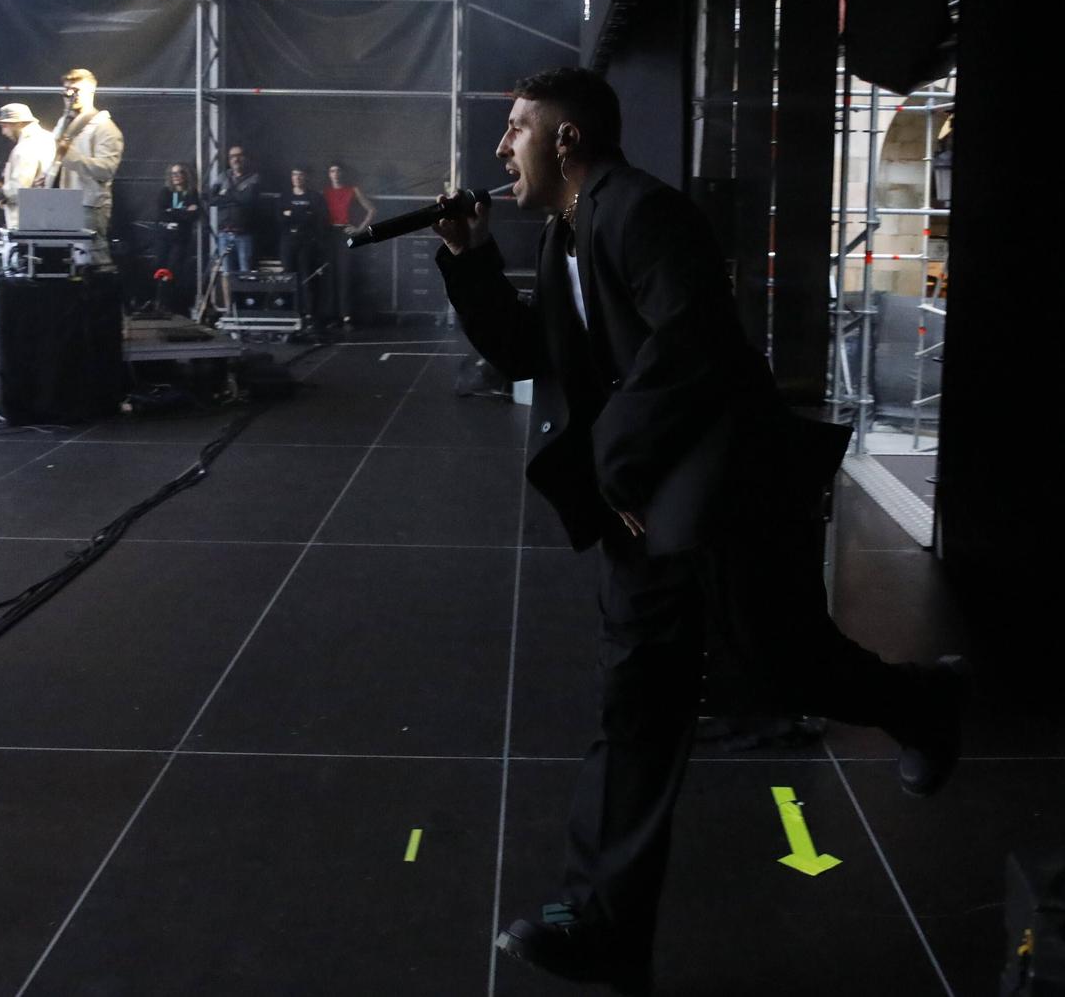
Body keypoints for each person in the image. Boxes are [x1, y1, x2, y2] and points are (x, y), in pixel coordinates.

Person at [432, 67, 968, 994]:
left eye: (515, 128)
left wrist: (618, 466)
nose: (499, 148)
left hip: (725, 497)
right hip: (652, 509)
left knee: (784, 661)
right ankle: (600, 923)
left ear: (567, 141)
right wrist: (471, 258)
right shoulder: (566, 231)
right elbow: (533, 353)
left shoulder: (644, 212)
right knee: (638, 704)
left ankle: (922, 705)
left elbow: (694, 344)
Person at [41, 68, 125, 267]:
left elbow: (106, 169)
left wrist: (70, 156)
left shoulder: (104, 128)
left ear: (91, 92)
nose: (70, 96)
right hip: (64, 202)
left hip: (89, 205)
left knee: (91, 259)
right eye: (67, 91)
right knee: (69, 262)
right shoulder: (64, 122)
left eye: (76, 91)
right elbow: (57, 158)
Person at [0, 102, 55, 232]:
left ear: (18, 123)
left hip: (27, 221)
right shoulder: (48, 137)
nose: (3, 132)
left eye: (5, 126)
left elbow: (18, 189)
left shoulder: (25, 148)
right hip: (47, 214)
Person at [322, 162, 378, 325]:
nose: (335, 174)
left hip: (346, 233)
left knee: (345, 275)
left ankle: (347, 315)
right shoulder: (325, 193)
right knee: (330, 275)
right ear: (329, 174)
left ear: (343, 173)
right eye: (332, 171)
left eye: (338, 170)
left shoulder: (353, 190)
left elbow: (372, 210)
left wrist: (360, 229)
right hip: (330, 235)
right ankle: (332, 315)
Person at [278, 166, 329, 324]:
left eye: (300, 175)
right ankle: (288, 309)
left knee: (307, 277)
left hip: (307, 242)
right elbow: (279, 219)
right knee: (288, 276)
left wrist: (293, 214)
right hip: (288, 241)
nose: (297, 178)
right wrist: (303, 214)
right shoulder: (284, 196)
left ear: (305, 177)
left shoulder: (314, 197)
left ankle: (308, 313)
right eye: (294, 175)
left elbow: (318, 219)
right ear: (291, 177)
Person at [207, 144, 262, 274]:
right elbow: (211, 200)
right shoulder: (222, 177)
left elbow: (248, 199)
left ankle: (246, 295)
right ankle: (229, 296)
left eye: (239, 156)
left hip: (244, 233)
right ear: (229, 159)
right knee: (227, 273)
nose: (236, 159)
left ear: (245, 158)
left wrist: (226, 194)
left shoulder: (253, 178)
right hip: (223, 233)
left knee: (245, 272)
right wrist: (237, 195)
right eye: (232, 156)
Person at [155, 162, 201, 303]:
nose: (175, 176)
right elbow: (161, 214)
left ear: (185, 175)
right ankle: (159, 300)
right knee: (160, 267)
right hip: (164, 237)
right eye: (173, 173)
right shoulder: (165, 192)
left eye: (179, 172)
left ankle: (171, 301)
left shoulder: (192, 193)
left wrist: (172, 212)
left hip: (181, 238)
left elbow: (193, 216)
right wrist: (183, 212)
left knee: (174, 268)